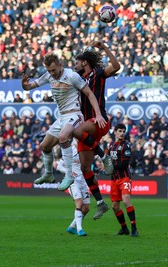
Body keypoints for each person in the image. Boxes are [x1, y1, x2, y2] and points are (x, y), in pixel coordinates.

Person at [21, 52, 106, 192]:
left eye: (54, 69)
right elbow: (30, 86)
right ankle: (48, 174)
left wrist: (98, 115)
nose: (52, 73)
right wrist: (24, 85)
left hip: (75, 115)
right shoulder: (48, 75)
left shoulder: (72, 76)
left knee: (63, 137)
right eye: (49, 70)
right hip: (61, 117)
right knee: (45, 146)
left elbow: (90, 94)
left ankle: (68, 175)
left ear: (61, 65)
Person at [73, 41, 120, 220]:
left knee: (75, 131)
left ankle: (103, 156)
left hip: (98, 121)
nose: (75, 65)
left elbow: (116, 66)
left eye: (77, 62)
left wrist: (105, 48)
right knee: (85, 168)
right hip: (88, 130)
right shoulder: (77, 80)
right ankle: (101, 203)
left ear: (84, 62)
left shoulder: (98, 74)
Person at [108, 123, 138, 237]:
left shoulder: (126, 146)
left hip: (124, 177)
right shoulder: (111, 145)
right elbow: (107, 159)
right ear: (115, 132)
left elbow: (124, 163)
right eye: (119, 131)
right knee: (115, 206)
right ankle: (124, 228)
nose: (121, 133)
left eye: (123, 131)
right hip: (114, 179)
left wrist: (109, 167)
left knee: (126, 201)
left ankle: (134, 228)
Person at [56, 144, 90, 236]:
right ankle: (79, 229)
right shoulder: (70, 150)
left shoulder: (86, 149)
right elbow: (59, 166)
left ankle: (71, 227)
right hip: (73, 181)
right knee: (79, 202)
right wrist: (69, 172)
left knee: (86, 208)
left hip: (84, 181)